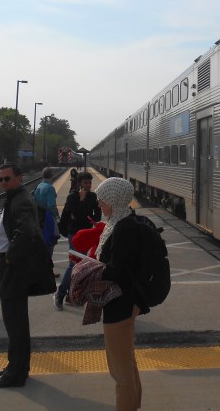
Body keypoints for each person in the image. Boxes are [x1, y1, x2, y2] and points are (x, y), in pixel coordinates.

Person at [0, 163, 56, 388]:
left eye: (7, 179)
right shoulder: (17, 197)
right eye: (0, 179)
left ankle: (15, 373)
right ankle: (16, 367)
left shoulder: (21, 200)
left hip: (13, 268)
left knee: (15, 322)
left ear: (19, 178)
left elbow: (26, 232)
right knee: (15, 322)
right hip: (12, 267)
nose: (2, 183)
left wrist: (9, 257)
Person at [94, 177, 149, 411]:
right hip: (125, 301)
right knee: (127, 363)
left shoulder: (123, 228)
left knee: (120, 371)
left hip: (120, 303)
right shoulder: (123, 221)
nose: (99, 203)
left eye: (102, 199)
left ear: (114, 199)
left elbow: (117, 270)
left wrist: (92, 268)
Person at [54, 172, 102, 309]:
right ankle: (61, 294)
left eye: (89, 183)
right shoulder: (72, 197)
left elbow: (97, 216)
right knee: (74, 264)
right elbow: (75, 215)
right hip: (74, 233)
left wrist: (95, 207)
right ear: (79, 183)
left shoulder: (93, 196)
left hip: (86, 234)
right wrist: (81, 201)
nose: (88, 185)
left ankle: (71, 294)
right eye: (85, 183)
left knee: (80, 265)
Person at [34, 167, 60, 256]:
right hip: (47, 218)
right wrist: (57, 217)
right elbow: (51, 205)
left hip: (38, 217)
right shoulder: (50, 188)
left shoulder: (39, 186)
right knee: (49, 241)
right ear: (52, 175)